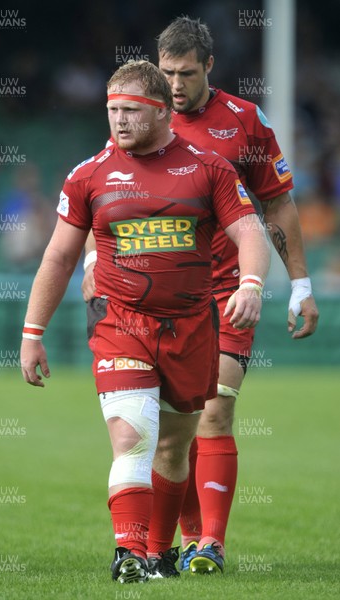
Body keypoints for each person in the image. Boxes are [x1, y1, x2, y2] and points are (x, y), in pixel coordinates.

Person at [81, 18, 319, 577]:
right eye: (166, 73)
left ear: (209, 67)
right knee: (168, 433)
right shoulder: (138, 116)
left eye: (186, 73)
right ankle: (173, 543)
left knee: (216, 414)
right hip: (156, 302)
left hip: (228, 291)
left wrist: (299, 284)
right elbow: (102, 192)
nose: (176, 84)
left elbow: (279, 206)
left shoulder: (245, 123)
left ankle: (209, 543)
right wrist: (94, 260)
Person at [21, 59, 270, 584]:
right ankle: (128, 552)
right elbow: (58, 257)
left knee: (174, 448)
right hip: (121, 324)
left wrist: (250, 284)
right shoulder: (88, 174)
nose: (119, 121)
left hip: (192, 328)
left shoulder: (210, 168)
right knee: (133, 435)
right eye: (112, 110)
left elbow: (250, 232)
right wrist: (32, 333)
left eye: (130, 110)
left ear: (161, 113)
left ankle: (159, 553)